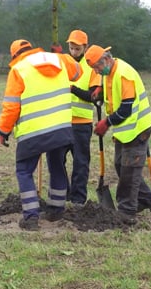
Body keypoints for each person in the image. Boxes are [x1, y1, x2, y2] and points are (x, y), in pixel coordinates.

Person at [0, 39, 82, 231]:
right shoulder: (58, 59)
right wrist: (64, 55)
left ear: (14, 55)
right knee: (57, 166)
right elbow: (78, 72)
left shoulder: (18, 69)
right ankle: (56, 210)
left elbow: (11, 106)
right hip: (61, 128)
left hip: (32, 132)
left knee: (24, 171)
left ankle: (31, 218)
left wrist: (4, 131)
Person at [85, 44, 151, 225]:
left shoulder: (124, 73)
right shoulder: (108, 73)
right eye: (94, 68)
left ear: (107, 59)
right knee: (120, 165)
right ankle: (149, 201)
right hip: (125, 130)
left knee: (129, 170)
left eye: (97, 67)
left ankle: (127, 211)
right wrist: (101, 91)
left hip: (137, 129)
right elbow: (112, 92)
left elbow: (126, 108)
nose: (96, 71)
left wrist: (106, 123)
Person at [64, 30, 103, 205]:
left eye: (77, 48)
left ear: (85, 47)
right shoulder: (63, 63)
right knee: (56, 161)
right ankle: (62, 195)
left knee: (80, 163)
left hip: (82, 124)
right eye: (71, 48)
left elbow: (94, 96)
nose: (73, 51)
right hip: (62, 122)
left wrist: (73, 89)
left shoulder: (91, 67)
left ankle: (78, 200)